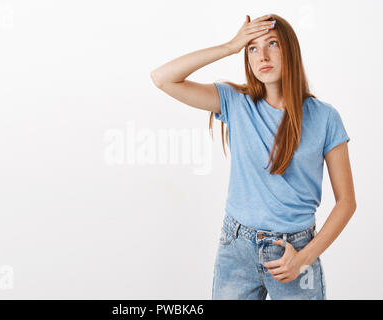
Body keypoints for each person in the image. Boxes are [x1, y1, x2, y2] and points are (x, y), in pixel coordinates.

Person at [150, 13, 357, 300]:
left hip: (294, 251)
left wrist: (303, 258)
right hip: (237, 247)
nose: (263, 55)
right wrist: (230, 46)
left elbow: (346, 202)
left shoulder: (325, 118)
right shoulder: (235, 102)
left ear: (290, 50)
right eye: (253, 47)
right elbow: (162, 78)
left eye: (272, 43)